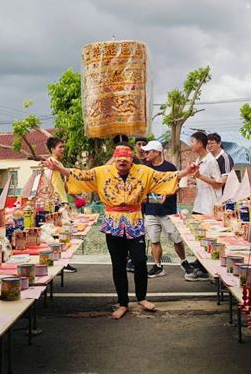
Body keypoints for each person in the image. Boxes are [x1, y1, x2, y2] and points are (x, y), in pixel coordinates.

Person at [44, 144, 196, 319]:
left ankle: (142, 298)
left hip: (135, 221)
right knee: (118, 265)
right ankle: (122, 303)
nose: (122, 160)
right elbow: (79, 175)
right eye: (119, 158)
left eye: (126, 158)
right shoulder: (102, 172)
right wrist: (57, 168)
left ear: (131, 159)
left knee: (140, 261)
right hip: (113, 222)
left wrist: (186, 171)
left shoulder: (143, 172)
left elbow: (165, 177)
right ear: (114, 158)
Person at [140, 140, 192, 278]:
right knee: (154, 240)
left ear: (156, 152)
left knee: (176, 238)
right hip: (150, 211)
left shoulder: (170, 167)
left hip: (168, 211)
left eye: (148, 151)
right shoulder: (146, 168)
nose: (145, 154)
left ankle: (184, 261)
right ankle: (158, 266)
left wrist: (167, 192)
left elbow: (178, 186)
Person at [185, 131, 222, 282]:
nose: (190, 144)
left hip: (208, 205)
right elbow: (204, 180)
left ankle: (204, 269)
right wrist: (194, 180)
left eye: (192, 141)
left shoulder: (211, 161)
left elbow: (218, 183)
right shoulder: (199, 160)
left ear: (200, 144)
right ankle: (200, 263)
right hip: (199, 203)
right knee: (197, 236)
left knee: (206, 236)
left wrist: (200, 177)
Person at [45, 136, 77, 273]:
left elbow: (64, 185)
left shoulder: (58, 163)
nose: (63, 149)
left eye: (63, 147)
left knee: (64, 233)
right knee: (61, 233)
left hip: (62, 201)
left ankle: (64, 261)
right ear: (53, 149)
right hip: (57, 202)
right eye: (60, 147)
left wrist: (74, 197)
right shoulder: (51, 162)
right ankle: (62, 263)